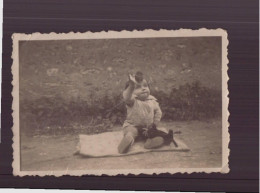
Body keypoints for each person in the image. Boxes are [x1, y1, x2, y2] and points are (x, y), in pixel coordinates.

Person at [118, 71, 172, 154]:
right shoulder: (132, 101)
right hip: (132, 126)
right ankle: (129, 140)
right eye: (138, 87)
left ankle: (151, 142)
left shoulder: (152, 101)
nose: (143, 88)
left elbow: (158, 112)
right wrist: (132, 85)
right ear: (132, 92)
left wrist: (154, 124)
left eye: (145, 86)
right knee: (131, 132)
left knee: (152, 133)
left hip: (147, 128)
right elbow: (126, 97)